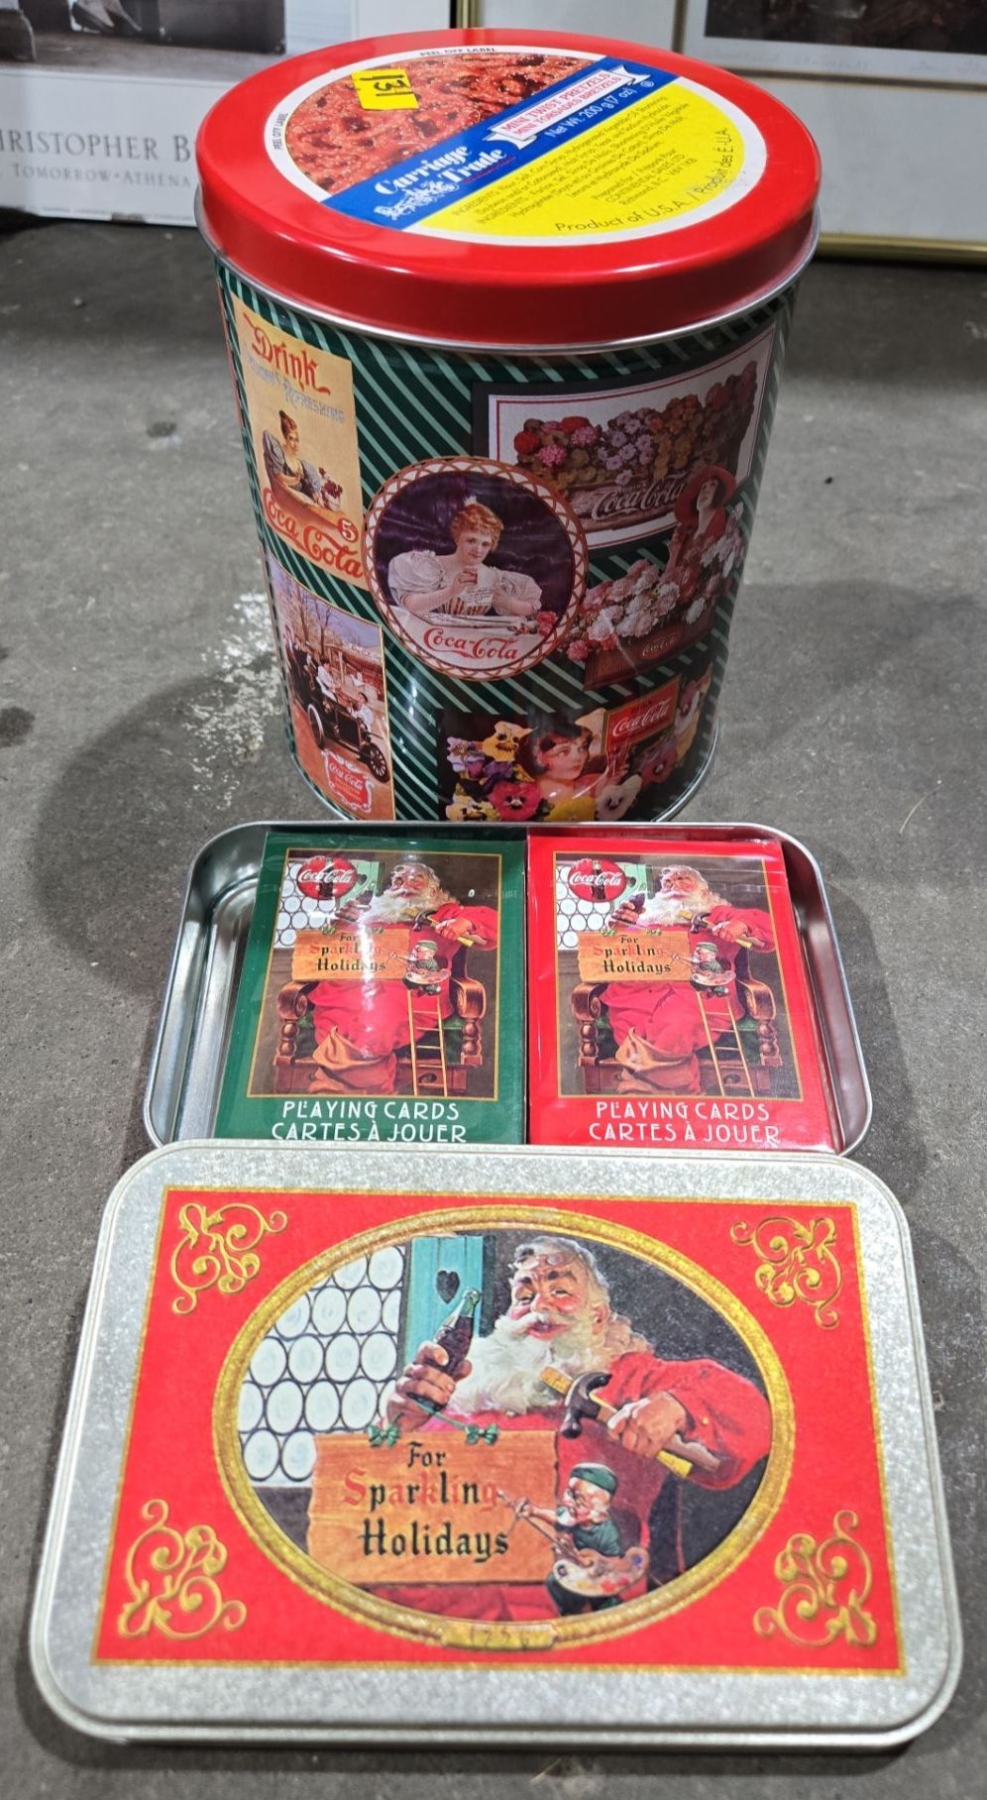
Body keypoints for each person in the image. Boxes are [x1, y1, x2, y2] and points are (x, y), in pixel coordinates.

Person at [375, 1234, 771, 1622]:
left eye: (560, 1291)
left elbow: (751, 1416)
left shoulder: (630, 1378)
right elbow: (383, 1496)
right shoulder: (470, 1385)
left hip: (566, 1610)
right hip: (435, 1603)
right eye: (524, 1296)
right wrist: (398, 1426)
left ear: (597, 1316)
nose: (539, 1306)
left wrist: (675, 1407)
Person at [307, 859, 497, 1094]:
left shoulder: (444, 912)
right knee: (332, 1027)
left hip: (408, 996)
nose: (405, 885)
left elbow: (493, 922)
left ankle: (345, 1093)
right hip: (351, 991)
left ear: (433, 890)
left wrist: (464, 923)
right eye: (398, 881)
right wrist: (342, 923)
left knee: (373, 1030)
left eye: (416, 880)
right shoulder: (376, 913)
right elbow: (337, 950)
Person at [598, 864, 775, 1094]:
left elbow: (766, 924)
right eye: (668, 883)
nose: (674, 886)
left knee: (674, 1024)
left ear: (702, 890)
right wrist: (617, 929)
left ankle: (658, 1091)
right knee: (631, 1029)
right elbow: (614, 954)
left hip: (697, 995)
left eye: (683, 879)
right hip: (638, 995)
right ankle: (659, 1090)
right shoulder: (648, 917)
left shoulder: (716, 913)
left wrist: (740, 925)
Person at [387, 500, 541, 623]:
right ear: (457, 538)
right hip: (434, 637)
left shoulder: (495, 577)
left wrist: (509, 603)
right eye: (471, 540)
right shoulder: (432, 567)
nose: (478, 550)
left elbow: (532, 610)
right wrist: (451, 591)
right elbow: (410, 605)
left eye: (485, 544)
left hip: (474, 644)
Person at [515, 722, 636, 820]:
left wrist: (611, 780)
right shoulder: (522, 799)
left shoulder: (592, 783)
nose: (578, 757)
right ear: (537, 758)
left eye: (582, 748)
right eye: (563, 751)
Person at [262, 411, 323, 503]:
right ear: (286, 439)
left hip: (305, 502)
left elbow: (313, 495)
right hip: (289, 500)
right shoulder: (279, 455)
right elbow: (278, 477)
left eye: (296, 440)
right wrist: (295, 479)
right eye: (291, 439)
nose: (295, 444)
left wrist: (317, 498)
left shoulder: (303, 466)